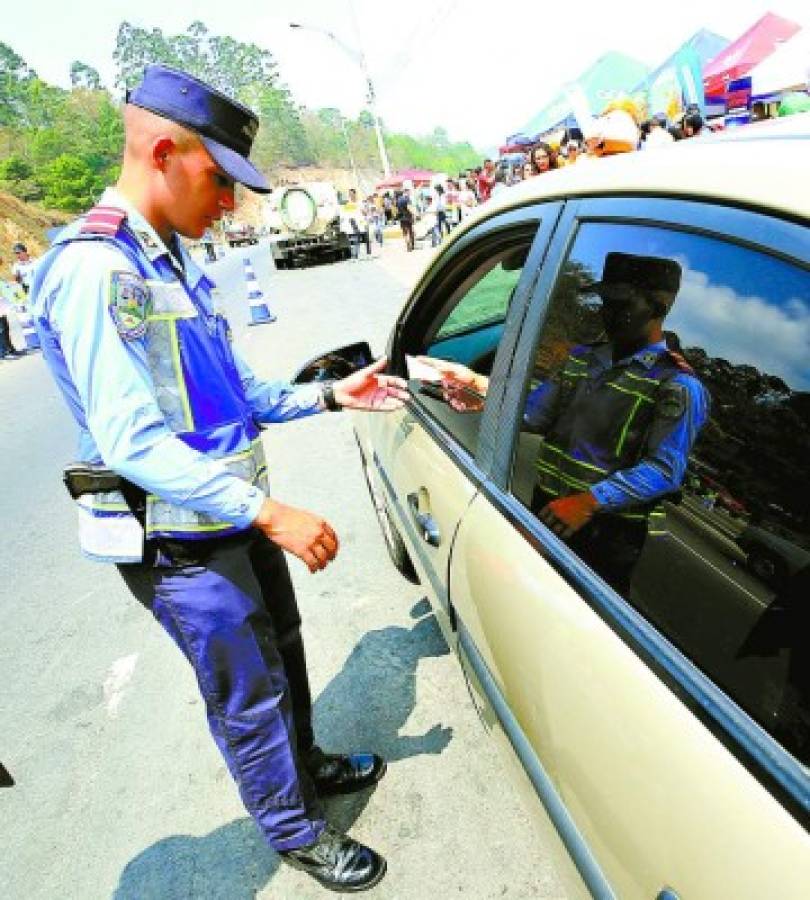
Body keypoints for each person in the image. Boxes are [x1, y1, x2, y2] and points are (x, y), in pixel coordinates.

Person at [30, 64, 410, 893]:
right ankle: (295, 829)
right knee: (248, 690)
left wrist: (328, 394)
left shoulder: (166, 259)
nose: (232, 205)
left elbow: (237, 393)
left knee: (284, 651)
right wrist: (268, 511)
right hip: (175, 539)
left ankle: (301, 769)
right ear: (164, 151)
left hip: (227, 517)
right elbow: (130, 438)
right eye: (220, 179)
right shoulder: (99, 270)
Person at [417, 252, 709, 596]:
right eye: (604, 301)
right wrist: (480, 390)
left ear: (659, 306)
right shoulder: (583, 358)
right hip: (549, 506)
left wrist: (588, 502)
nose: (606, 311)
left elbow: (663, 469)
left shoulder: (678, 385)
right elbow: (534, 413)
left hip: (608, 529)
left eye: (621, 303)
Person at [396, 186, 415, 251]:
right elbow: (409, 208)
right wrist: (414, 214)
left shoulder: (398, 200)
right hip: (408, 217)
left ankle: (407, 244)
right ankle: (412, 244)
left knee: (405, 232)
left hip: (401, 218)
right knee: (410, 231)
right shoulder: (407, 199)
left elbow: (397, 210)